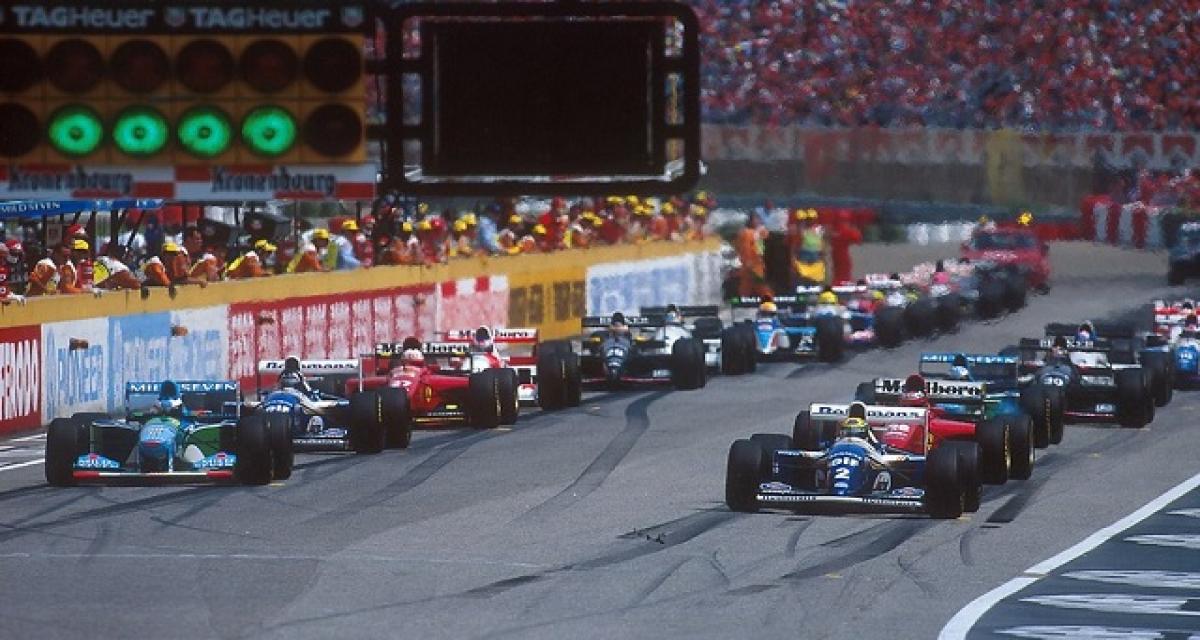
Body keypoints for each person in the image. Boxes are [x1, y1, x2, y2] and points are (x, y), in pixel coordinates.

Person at [735, 213, 772, 297]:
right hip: (750, 265)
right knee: (747, 287)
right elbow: (744, 249)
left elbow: (765, 245)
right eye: (755, 219)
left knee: (761, 287)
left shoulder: (761, 232)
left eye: (758, 219)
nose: (757, 221)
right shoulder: (746, 233)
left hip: (758, 265)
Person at [828, 210, 862, 284]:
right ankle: (843, 283)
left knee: (838, 270)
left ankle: (839, 282)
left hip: (836, 254)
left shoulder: (833, 230)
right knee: (843, 271)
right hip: (842, 254)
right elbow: (858, 239)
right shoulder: (845, 230)